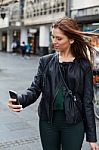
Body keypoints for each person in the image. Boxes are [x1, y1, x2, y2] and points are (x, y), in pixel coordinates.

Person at [8, 17, 99, 150]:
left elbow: (87, 102)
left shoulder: (83, 65)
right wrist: (20, 100)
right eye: (52, 37)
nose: (54, 42)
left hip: (74, 123)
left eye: (59, 38)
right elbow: (34, 90)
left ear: (71, 39)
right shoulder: (45, 61)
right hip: (48, 122)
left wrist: (92, 138)